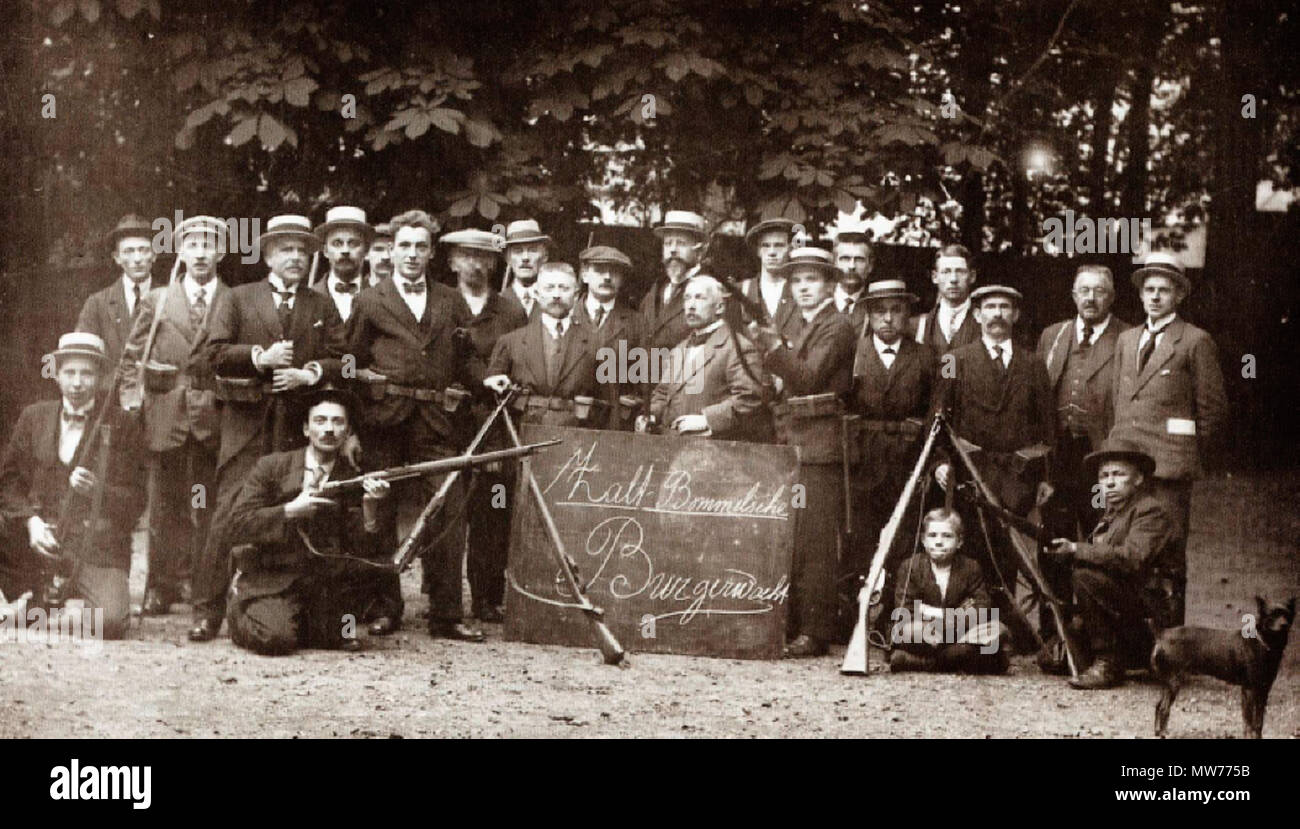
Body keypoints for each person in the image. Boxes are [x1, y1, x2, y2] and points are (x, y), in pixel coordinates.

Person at [190, 214, 347, 642]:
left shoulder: (320, 304)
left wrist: (310, 374)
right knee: (228, 513)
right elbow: (213, 355)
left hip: (296, 432)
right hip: (246, 429)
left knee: (296, 511)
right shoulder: (239, 298)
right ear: (268, 255)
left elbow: (344, 359)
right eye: (285, 250)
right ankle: (207, 611)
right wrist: (260, 357)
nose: (295, 257)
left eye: (301, 250)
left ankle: (279, 601)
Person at [345, 211, 486, 642]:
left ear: (431, 252)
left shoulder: (450, 300)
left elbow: (466, 359)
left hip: (437, 424)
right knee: (381, 515)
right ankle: (384, 608)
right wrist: (351, 426)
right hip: (382, 423)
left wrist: (487, 380)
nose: (411, 254)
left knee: (447, 512)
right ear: (391, 249)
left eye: (419, 246)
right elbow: (349, 364)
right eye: (403, 246)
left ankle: (446, 615)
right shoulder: (370, 300)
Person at [0, 333, 147, 639]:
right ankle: (39, 595)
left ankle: (42, 612)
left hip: (95, 549)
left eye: (87, 373)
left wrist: (98, 492)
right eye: (69, 372)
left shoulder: (122, 425)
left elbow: (137, 501)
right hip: (40, 543)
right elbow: (9, 483)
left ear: (100, 377)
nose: (77, 382)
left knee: (110, 623)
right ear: (56, 375)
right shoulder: (33, 417)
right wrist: (31, 522)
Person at [933, 284, 1054, 650]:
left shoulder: (1033, 364)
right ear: (977, 315)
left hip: (1017, 475)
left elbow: (1048, 427)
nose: (997, 314)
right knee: (971, 550)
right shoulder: (956, 359)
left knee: (1009, 551)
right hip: (972, 472)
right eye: (990, 307)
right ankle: (971, 627)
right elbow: (938, 421)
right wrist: (941, 461)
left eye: (1005, 307)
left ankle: (1006, 626)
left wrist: (1045, 475)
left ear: (1015, 316)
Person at [225, 388, 391, 656]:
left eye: (338, 422)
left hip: (321, 584)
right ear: (305, 429)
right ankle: (239, 611)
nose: (329, 430)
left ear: (347, 432)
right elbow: (236, 524)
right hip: (272, 578)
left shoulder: (352, 479)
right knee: (275, 639)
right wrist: (290, 510)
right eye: (320, 421)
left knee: (341, 638)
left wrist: (371, 506)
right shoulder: (271, 467)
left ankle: (295, 619)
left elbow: (362, 550)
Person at [1108, 251, 1227, 624]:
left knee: (1169, 555)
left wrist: (1185, 455)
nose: (1155, 297)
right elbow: (1119, 401)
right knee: (1126, 549)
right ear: (1141, 295)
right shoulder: (1127, 339)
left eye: (1164, 290)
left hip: (1169, 469)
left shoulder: (1195, 341)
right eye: (1149, 290)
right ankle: (1132, 643)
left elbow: (1213, 410)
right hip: (1129, 465)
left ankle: (1172, 643)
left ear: (1179, 296)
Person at [120, 215, 228, 617]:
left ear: (221, 252)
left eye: (209, 244)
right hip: (166, 415)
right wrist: (133, 400)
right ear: (180, 252)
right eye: (193, 245)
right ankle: (160, 586)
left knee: (208, 505)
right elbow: (131, 358)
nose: (200, 252)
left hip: (212, 417)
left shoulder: (232, 300)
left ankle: (203, 585)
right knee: (165, 506)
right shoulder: (159, 300)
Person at [750, 247, 854, 657]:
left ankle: (816, 629)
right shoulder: (807, 324)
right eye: (797, 280)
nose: (803, 287)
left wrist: (775, 350)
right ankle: (793, 622)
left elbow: (808, 379)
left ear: (830, 284)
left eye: (812, 279)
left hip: (821, 449)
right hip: (796, 444)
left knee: (815, 542)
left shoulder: (838, 327)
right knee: (793, 537)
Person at [1037, 265, 1131, 628]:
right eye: (1084, 291)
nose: (1091, 298)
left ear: (1112, 296)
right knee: (1052, 539)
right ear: (1073, 295)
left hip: (1101, 457)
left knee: (1101, 539)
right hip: (1059, 459)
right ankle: (1054, 630)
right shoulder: (1053, 335)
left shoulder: (1127, 337)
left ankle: (1099, 631)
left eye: (1100, 291)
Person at [1043, 439, 1178, 689]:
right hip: (1123, 609)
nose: (1110, 482)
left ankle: (1109, 662)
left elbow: (1131, 559)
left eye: (1118, 474)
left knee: (1085, 577)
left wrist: (1076, 549)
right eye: (1104, 476)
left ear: (1137, 479)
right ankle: (1125, 657)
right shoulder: (1111, 515)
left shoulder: (1150, 511)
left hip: (1149, 614)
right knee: (1051, 657)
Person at [844, 279, 936, 629]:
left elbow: (935, 414)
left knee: (904, 539)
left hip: (908, 461)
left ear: (908, 316)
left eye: (896, 311)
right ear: (868, 315)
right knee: (861, 538)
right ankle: (854, 617)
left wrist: (927, 460)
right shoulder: (854, 353)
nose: (888, 319)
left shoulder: (926, 357)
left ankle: (894, 618)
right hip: (863, 460)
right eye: (880, 311)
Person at [454, 228, 524, 626]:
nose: (476, 264)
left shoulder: (511, 311)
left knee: (493, 510)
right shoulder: (441, 304)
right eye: (467, 255)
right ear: (452, 262)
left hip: (495, 424)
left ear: (494, 263)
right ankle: (443, 594)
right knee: (449, 509)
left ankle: (487, 596)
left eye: (484, 257)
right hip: (450, 422)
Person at [642, 274, 767, 441]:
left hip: (715, 449)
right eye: (687, 298)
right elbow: (663, 393)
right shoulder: (679, 349)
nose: (691, 306)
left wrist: (707, 420)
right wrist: (651, 415)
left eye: (700, 298)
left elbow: (749, 398)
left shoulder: (738, 347)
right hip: (672, 446)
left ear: (720, 308)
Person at [485, 263, 609, 427]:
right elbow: (490, 399)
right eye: (549, 288)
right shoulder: (510, 342)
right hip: (520, 436)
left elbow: (605, 404)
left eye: (564, 288)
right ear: (537, 293)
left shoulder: (597, 345)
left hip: (576, 438)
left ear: (576, 294)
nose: (556, 295)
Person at [889, 508, 1009, 674]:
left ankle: (923, 663)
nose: (939, 542)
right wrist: (955, 614)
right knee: (906, 631)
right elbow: (907, 611)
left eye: (947, 536)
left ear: (959, 541)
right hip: (928, 632)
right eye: (932, 536)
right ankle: (959, 656)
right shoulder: (910, 567)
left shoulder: (971, 567)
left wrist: (930, 611)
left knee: (999, 629)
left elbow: (982, 608)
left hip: (959, 632)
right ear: (923, 540)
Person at [574, 244, 646, 429]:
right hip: (570, 418)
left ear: (621, 279)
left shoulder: (637, 323)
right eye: (599, 270)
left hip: (615, 423)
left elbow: (644, 381)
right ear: (584, 275)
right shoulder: (566, 316)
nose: (607, 277)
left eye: (614, 272)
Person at [76, 214, 160, 367]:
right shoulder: (96, 304)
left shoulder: (171, 299)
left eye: (143, 250)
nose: (137, 258)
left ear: (154, 255)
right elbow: (84, 360)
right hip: (112, 390)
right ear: (117, 258)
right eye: (129, 251)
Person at [640, 209, 706, 352]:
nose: (673, 250)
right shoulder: (656, 290)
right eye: (668, 243)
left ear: (699, 252)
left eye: (681, 243)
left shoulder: (710, 291)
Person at [912, 244, 980, 353]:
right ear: (935, 277)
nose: (953, 279)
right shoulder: (918, 326)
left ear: (972, 276)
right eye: (946, 272)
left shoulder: (985, 322)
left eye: (960, 272)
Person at [312, 205, 374, 323]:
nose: (345, 250)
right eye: (337, 243)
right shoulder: (308, 299)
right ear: (325, 251)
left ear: (366, 251)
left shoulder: (380, 298)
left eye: (353, 243)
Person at [735, 218, 796, 331]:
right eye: (766, 245)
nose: (772, 252)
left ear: (790, 249)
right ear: (758, 250)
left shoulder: (798, 290)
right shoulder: (742, 290)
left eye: (779, 245)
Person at [500, 219, 551, 321]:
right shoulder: (496, 304)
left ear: (545, 256)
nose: (525, 258)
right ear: (508, 258)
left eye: (532, 250)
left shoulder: (554, 301)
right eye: (518, 251)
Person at [832, 231, 873, 335]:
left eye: (859, 259)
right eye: (845, 259)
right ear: (834, 263)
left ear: (870, 266)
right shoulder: (820, 299)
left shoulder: (875, 307)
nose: (851, 266)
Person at [364, 222, 394, 288]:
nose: (386, 257)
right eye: (378, 249)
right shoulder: (354, 292)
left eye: (392, 249)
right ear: (366, 253)